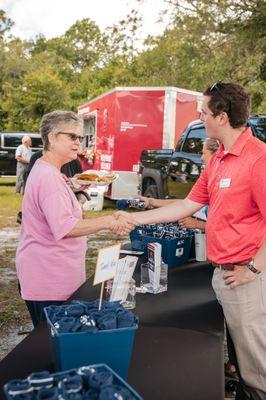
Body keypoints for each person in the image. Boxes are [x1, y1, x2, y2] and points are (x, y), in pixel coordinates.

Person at [116, 82, 266, 399]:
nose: (200, 116)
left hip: (247, 278)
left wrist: (252, 270)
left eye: (204, 111)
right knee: (244, 362)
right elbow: (187, 205)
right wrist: (134, 218)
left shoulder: (258, 159)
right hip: (223, 272)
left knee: (258, 370)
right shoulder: (217, 159)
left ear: (222, 117)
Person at [16, 110, 134, 329]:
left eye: (80, 137)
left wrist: (74, 189)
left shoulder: (50, 171)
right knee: (53, 351)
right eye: (72, 137)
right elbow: (66, 227)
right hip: (49, 280)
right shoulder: (48, 177)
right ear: (51, 137)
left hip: (52, 275)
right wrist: (108, 220)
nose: (78, 142)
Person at [136, 137, 220, 231]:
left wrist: (198, 224)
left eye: (204, 153)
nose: (201, 158)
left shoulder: (222, 184)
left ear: (216, 154)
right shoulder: (209, 178)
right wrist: (151, 202)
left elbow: (228, 226)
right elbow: (185, 204)